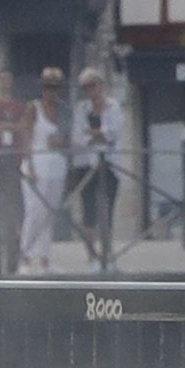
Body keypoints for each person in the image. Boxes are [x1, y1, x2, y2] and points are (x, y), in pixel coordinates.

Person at [68, 71, 126, 268]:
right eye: (86, 87)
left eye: (92, 85)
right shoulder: (81, 109)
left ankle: (108, 257)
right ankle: (92, 257)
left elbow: (115, 132)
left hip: (110, 164)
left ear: (100, 85)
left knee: (107, 211)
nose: (90, 90)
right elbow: (79, 137)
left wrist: (96, 134)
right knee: (89, 212)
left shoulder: (114, 107)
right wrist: (98, 135)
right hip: (86, 165)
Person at [0, 67, 34, 274]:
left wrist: (6, 126)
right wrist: (11, 126)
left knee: (19, 198)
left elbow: (24, 127)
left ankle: (18, 234)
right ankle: (5, 232)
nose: (5, 83)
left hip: (17, 156)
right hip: (1, 157)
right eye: (1, 79)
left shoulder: (19, 106)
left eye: (8, 79)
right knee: (4, 196)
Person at [20, 68, 72, 272]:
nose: (51, 91)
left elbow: (69, 137)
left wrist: (62, 142)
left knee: (50, 213)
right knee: (34, 212)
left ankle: (45, 259)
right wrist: (30, 166)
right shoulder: (33, 108)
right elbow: (26, 137)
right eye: (48, 87)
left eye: (55, 87)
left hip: (56, 165)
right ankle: (24, 257)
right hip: (37, 163)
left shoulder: (63, 110)